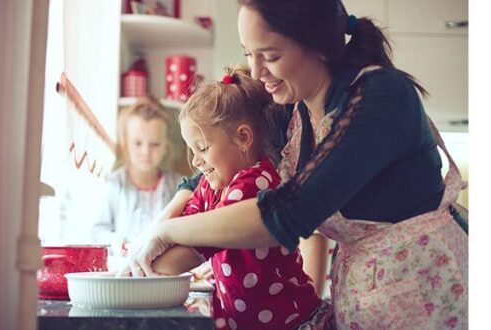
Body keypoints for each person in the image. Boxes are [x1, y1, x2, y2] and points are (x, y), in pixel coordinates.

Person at [121, 0, 469, 328]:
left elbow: (288, 213)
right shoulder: (291, 107)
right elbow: (204, 174)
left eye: (269, 55)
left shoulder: (381, 96)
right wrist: (156, 228)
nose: (257, 71)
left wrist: (167, 232)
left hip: (430, 290)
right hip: (369, 295)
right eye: (248, 54)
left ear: (316, 45)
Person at [147, 67, 326, 329]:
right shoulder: (212, 185)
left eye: (203, 148)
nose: (197, 161)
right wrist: (153, 239)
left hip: (292, 323)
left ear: (243, 138)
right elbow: (188, 217)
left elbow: (195, 248)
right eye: (192, 150)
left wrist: (146, 261)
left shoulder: (254, 184)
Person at [90, 97, 183, 257]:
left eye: (154, 144)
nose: (146, 152)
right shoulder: (114, 183)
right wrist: (116, 242)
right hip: (124, 267)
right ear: (126, 145)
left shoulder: (180, 186)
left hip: (165, 269)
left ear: (165, 147)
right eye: (138, 143)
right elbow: (98, 230)